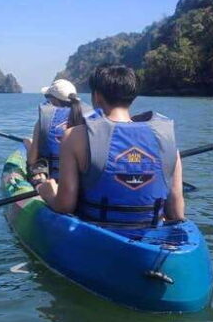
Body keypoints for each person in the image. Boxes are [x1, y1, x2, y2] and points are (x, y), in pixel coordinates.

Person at [37, 64, 185, 226]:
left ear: (96, 96)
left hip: (96, 234)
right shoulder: (166, 140)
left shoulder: (74, 136)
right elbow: (177, 213)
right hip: (151, 236)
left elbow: (65, 206)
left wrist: (47, 192)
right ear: (132, 96)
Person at [24, 79, 87, 186]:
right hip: (81, 183)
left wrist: (28, 145)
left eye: (48, 97)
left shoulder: (42, 123)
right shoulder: (89, 121)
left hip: (54, 182)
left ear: (55, 100)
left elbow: (31, 161)